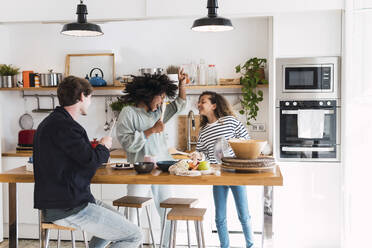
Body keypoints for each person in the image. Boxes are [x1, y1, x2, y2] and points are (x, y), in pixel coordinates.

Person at [33, 76, 142, 248]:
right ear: (82, 96)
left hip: (65, 201)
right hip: (68, 206)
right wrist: (104, 147)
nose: (90, 102)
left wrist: (98, 148)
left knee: (118, 224)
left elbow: (79, 158)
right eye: (91, 98)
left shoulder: (52, 122)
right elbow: (91, 162)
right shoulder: (67, 126)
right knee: (134, 235)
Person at [116, 71, 188, 247]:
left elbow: (179, 104)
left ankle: (167, 245)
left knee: (168, 213)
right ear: (148, 94)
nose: (162, 102)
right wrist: (151, 131)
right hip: (140, 172)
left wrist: (182, 84)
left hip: (163, 170)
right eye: (160, 97)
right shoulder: (128, 113)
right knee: (132, 217)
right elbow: (127, 144)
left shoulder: (158, 113)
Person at [190, 91, 254, 248]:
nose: (199, 104)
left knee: (244, 215)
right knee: (219, 218)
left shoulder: (229, 122)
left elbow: (246, 139)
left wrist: (234, 146)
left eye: (202, 101)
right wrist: (197, 155)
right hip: (216, 175)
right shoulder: (203, 130)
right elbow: (202, 152)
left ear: (213, 105)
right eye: (199, 102)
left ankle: (250, 245)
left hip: (235, 173)